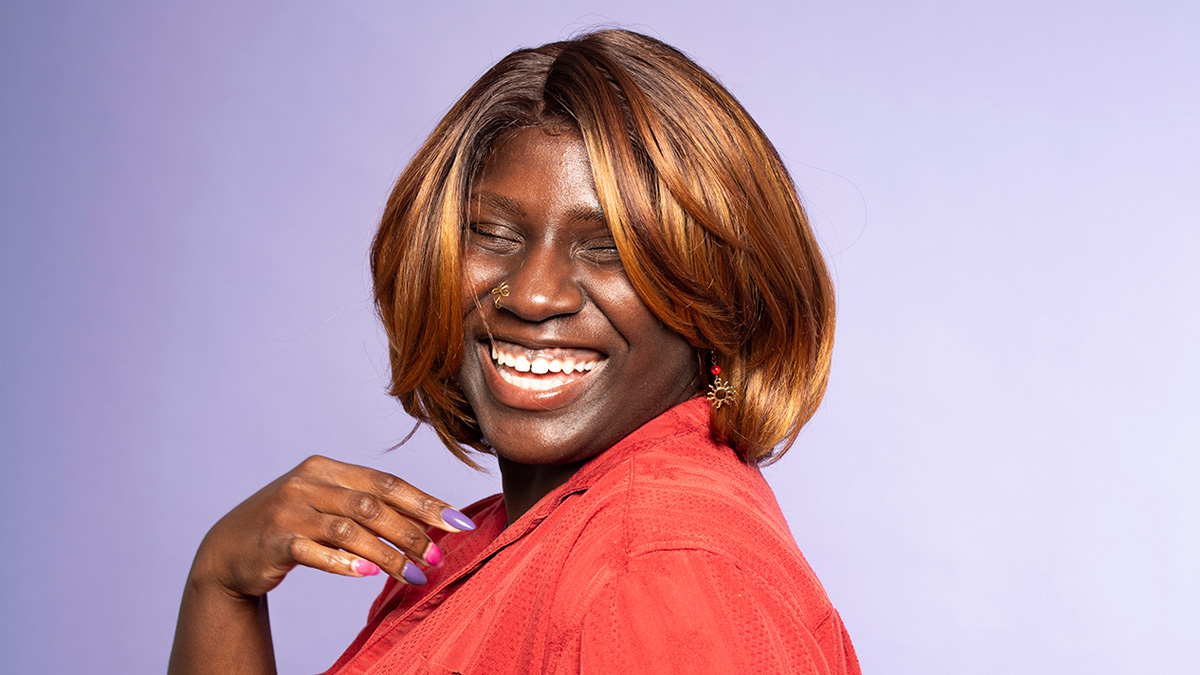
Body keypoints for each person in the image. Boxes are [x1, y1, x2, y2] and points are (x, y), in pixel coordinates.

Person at [169, 28, 860, 675]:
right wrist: (220, 584)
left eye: (609, 249)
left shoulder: (655, 566)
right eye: (494, 234)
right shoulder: (519, 540)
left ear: (720, 298)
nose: (531, 296)